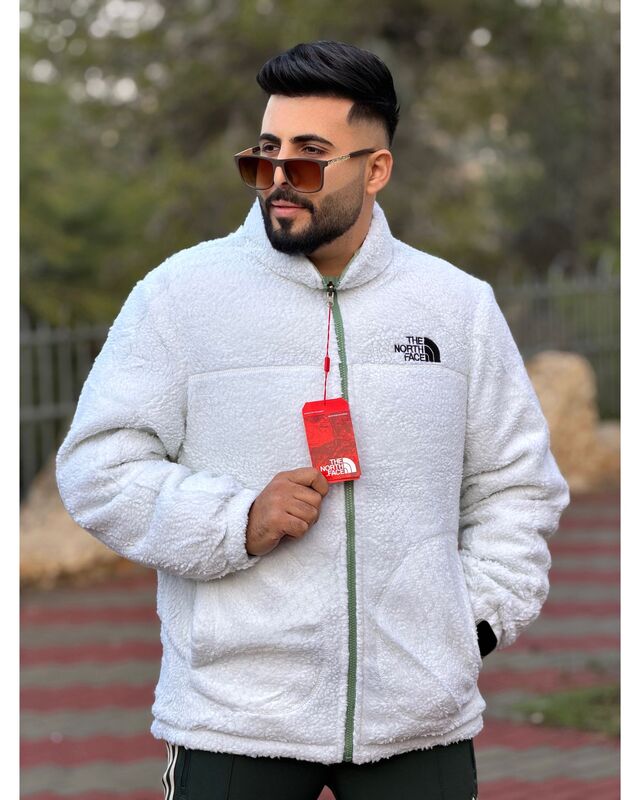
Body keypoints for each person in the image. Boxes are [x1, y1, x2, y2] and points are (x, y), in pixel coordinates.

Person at [56, 40, 570, 800]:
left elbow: (516, 485)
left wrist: (473, 625)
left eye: (309, 157)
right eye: (266, 153)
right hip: (235, 718)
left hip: (418, 718)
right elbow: (98, 467)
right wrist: (236, 521)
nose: (277, 179)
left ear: (376, 169)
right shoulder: (180, 295)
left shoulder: (456, 306)